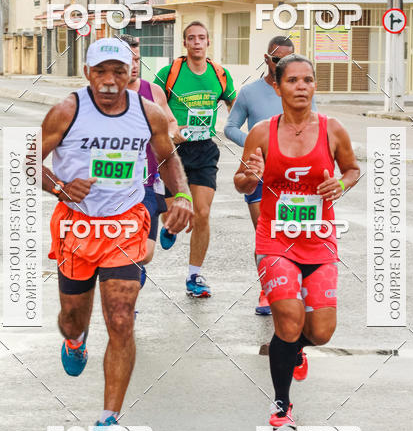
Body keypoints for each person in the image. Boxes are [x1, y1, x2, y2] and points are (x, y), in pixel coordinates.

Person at [41, 37, 193, 431]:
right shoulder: (67, 111)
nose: (109, 81)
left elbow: (166, 158)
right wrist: (59, 187)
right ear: (87, 74)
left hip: (126, 223)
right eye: (100, 72)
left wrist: (180, 196)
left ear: (131, 74)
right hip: (77, 225)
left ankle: (109, 421)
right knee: (74, 317)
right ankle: (74, 340)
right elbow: (25, 159)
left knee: (122, 317)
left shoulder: (149, 113)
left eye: (118, 72)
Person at [233, 54, 360, 428]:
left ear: (314, 86)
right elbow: (241, 183)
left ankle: (296, 350)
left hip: (319, 241)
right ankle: (281, 405)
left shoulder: (332, 129)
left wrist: (341, 183)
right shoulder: (262, 132)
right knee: (287, 321)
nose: (301, 87)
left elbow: (352, 169)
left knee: (320, 331)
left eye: (308, 80)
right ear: (278, 86)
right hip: (275, 240)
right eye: (293, 81)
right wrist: (251, 177)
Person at [225, 35, 318, 316]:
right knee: (265, 235)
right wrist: (256, 146)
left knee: (294, 233)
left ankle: (293, 284)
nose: (283, 66)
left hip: (295, 175)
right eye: (278, 61)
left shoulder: (301, 91)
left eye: (289, 61)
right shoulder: (250, 93)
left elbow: (315, 128)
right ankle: (268, 289)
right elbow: (230, 127)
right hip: (261, 173)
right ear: (267, 59)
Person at [154, 20, 236, 298]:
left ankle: (194, 276)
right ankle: (169, 226)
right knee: (173, 213)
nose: (197, 42)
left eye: (202, 37)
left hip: (204, 149)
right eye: (192, 38)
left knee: (201, 213)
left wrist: (241, 129)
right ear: (185, 43)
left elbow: (234, 105)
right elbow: (152, 105)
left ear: (208, 42)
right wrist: (169, 129)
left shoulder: (220, 74)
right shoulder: (170, 73)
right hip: (172, 151)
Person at [120, 34, 178, 279]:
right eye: (127, 60)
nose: (134, 65)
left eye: (137, 59)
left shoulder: (153, 91)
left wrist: (168, 135)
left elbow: (172, 122)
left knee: (145, 254)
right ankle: (126, 295)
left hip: (149, 184)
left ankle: (135, 269)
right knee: (121, 247)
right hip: (114, 185)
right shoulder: (101, 95)